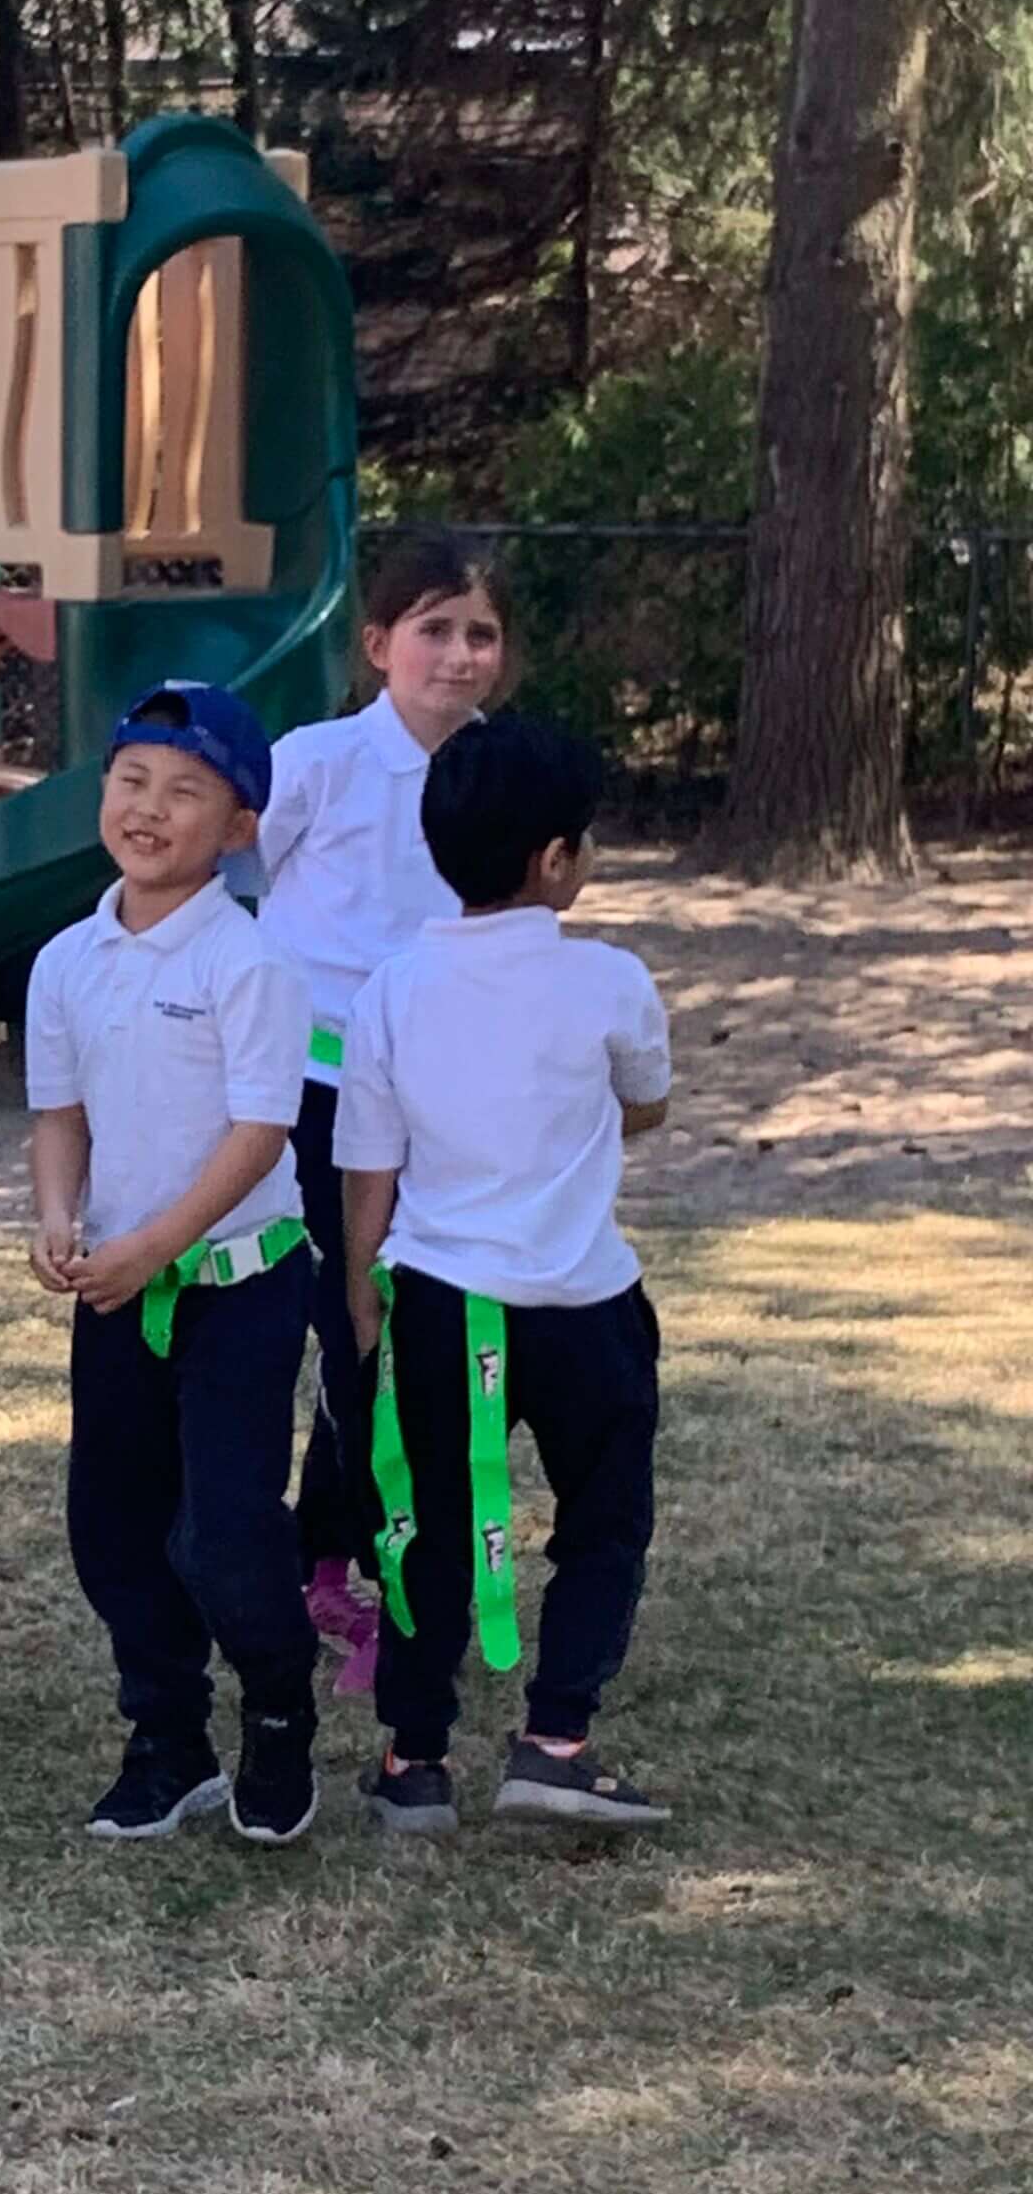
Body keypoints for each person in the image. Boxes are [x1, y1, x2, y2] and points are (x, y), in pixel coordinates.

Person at [338, 709, 674, 1834]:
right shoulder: (611, 980)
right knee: (604, 1523)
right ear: (555, 860)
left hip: (442, 1302)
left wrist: (360, 1302)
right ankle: (556, 1740)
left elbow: (368, 1174)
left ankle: (412, 1761)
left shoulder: (389, 988)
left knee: (428, 1527)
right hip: (587, 1304)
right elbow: (649, 1105)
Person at [28, 683, 323, 1848]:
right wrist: (61, 1216)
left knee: (226, 1528)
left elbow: (259, 1136)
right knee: (110, 1523)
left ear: (239, 826)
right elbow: (59, 1115)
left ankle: (280, 1715)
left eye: (187, 790)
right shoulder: (65, 959)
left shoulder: (251, 965)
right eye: (132, 781)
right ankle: (168, 1738)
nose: (151, 809)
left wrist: (154, 1244)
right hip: (118, 1290)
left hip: (238, 1284)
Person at [252, 529, 510, 1699]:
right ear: (377, 645)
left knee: (406, 1332)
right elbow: (240, 872)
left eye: (481, 634)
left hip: (436, 1097)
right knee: (337, 1323)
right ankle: (319, 1568)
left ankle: (358, 1550)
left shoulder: (500, 772)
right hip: (310, 1097)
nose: (458, 656)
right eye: (434, 630)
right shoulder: (314, 760)